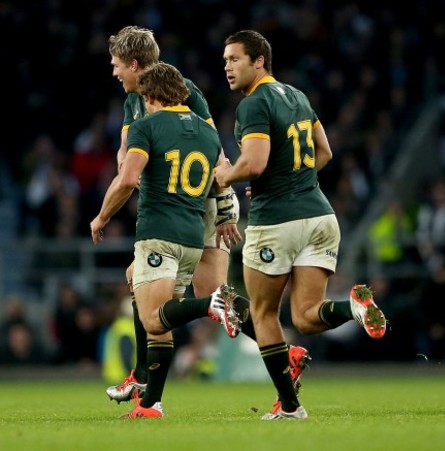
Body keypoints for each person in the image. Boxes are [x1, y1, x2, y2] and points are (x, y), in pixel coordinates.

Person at [103, 26, 310, 406]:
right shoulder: (134, 99)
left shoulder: (178, 89)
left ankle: (146, 378)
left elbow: (215, 152)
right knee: (169, 290)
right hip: (176, 204)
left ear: (134, 64)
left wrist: (227, 210)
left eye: (117, 65)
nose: (114, 72)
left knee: (193, 294)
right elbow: (125, 152)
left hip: (197, 205)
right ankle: (284, 355)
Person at [214, 29, 388, 421]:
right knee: (307, 317)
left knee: (263, 314)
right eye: (225, 60)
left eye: (235, 59)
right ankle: (353, 309)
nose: (227, 66)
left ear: (259, 61)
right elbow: (324, 151)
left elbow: (254, 164)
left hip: (277, 221)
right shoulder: (297, 96)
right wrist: (293, 181)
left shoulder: (253, 104)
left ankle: (290, 406)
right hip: (321, 215)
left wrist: (224, 177)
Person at [90, 61, 241, 418]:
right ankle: (150, 403)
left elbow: (127, 180)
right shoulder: (207, 135)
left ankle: (210, 305)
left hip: (159, 233)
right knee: (154, 307)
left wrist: (101, 217)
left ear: (150, 94)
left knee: (153, 320)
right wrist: (223, 213)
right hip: (192, 238)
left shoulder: (146, 126)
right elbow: (221, 175)